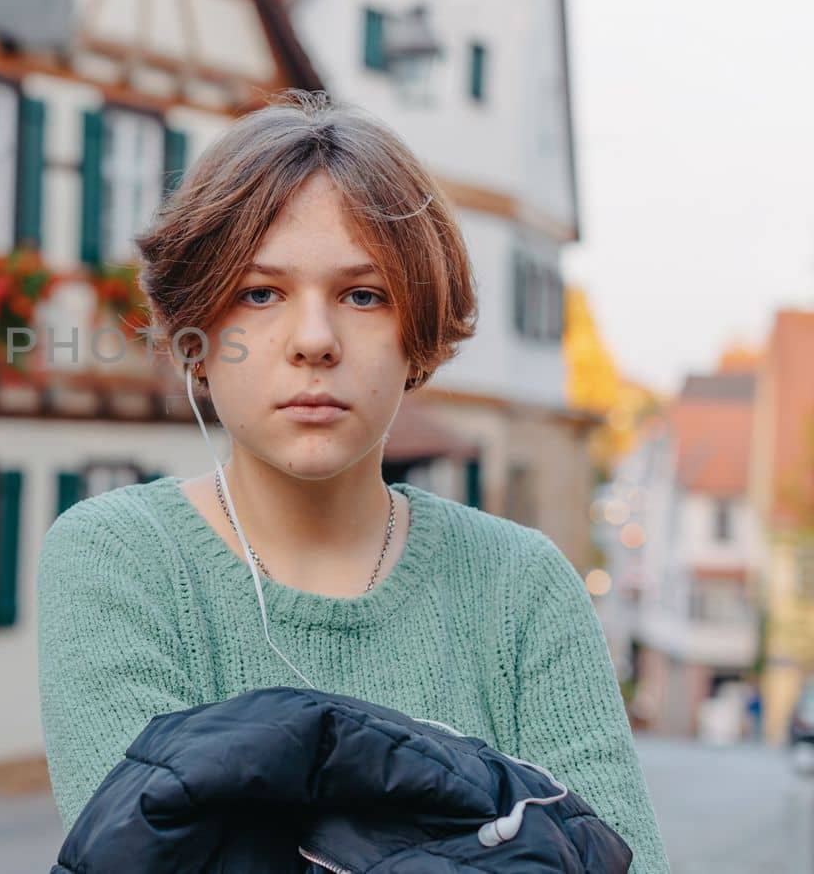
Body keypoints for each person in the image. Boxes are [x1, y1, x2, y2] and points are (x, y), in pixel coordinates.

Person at [35, 92, 670, 872]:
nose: (313, 340)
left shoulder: (521, 585)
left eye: (362, 295)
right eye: (260, 293)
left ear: (417, 335)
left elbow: (617, 860)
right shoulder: (120, 559)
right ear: (196, 337)